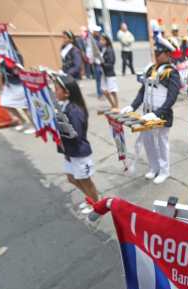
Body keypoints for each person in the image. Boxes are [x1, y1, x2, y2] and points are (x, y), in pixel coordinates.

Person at [122, 34, 181, 184]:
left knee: (161, 143)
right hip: (147, 114)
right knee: (148, 142)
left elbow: (171, 98)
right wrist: (132, 106)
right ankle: (153, 167)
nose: (155, 56)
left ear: (167, 54)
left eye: (158, 53)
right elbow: (143, 90)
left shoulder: (172, 73)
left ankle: (164, 170)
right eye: (155, 53)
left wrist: (157, 113)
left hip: (162, 115)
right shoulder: (150, 69)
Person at [54, 75, 100, 214]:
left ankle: (96, 205)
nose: (54, 91)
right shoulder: (65, 106)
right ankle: (90, 199)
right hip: (70, 151)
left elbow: (76, 135)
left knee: (86, 181)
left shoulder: (74, 111)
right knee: (71, 178)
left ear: (67, 92)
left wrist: (59, 131)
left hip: (79, 152)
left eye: (57, 89)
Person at [99, 35, 119, 110]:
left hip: (110, 73)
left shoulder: (109, 50)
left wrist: (102, 64)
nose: (100, 41)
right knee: (104, 90)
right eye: (100, 40)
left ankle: (116, 106)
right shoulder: (103, 49)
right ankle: (113, 105)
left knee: (113, 90)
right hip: (104, 73)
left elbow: (111, 63)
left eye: (102, 40)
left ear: (106, 41)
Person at [87, 24, 104, 98]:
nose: (98, 32)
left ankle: (101, 91)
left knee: (101, 78)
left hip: (99, 61)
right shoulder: (92, 41)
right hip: (97, 62)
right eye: (97, 31)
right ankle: (99, 93)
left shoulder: (97, 38)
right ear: (94, 31)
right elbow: (92, 52)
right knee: (98, 78)